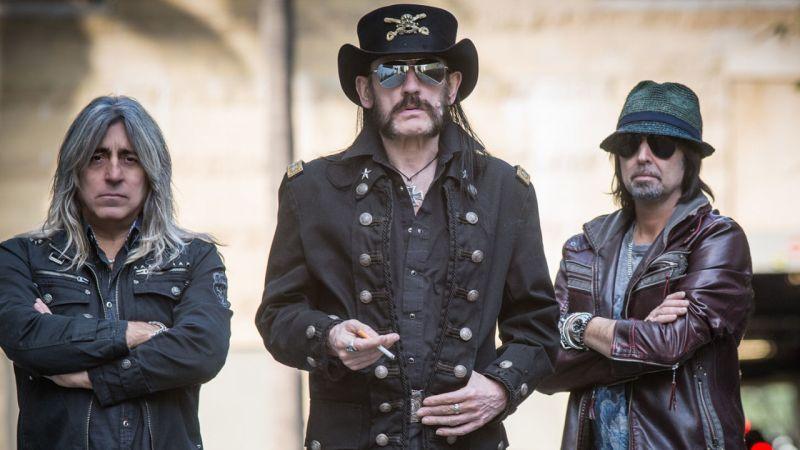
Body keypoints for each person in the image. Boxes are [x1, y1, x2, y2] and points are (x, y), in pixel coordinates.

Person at [256, 4, 559, 449]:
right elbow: (277, 315)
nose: (412, 87)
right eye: (391, 73)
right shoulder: (312, 189)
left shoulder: (504, 190)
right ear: (365, 90)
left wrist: (500, 387)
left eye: (430, 71)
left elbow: (537, 326)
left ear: (451, 87)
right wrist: (330, 337)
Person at [0, 95, 232, 449]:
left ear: (151, 172)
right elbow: (26, 339)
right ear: (74, 171)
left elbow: (203, 349)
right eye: (96, 157)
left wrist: (93, 376)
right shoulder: (22, 258)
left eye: (130, 158)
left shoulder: (194, 258)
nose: (113, 174)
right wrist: (134, 333)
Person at [538, 81, 754, 449]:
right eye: (629, 144)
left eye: (661, 144)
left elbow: (670, 343)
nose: (642, 156)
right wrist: (642, 339)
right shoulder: (583, 248)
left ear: (688, 158)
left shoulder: (716, 239)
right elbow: (544, 365)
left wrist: (579, 326)